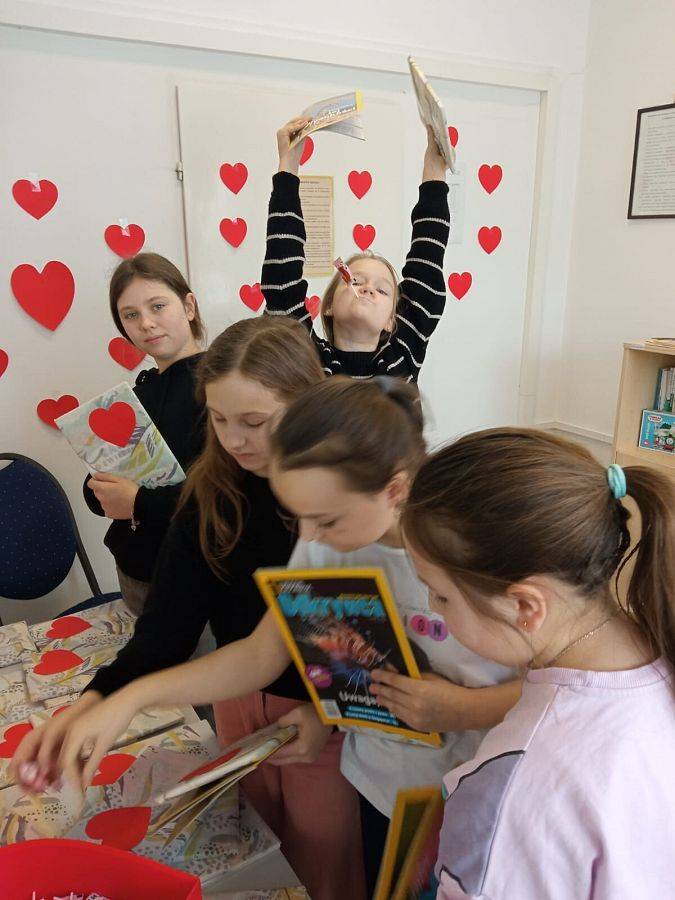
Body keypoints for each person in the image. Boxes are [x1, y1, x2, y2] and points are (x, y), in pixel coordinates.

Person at [19, 379, 518, 898]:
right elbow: (261, 653)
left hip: (472, 798)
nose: (309, 537)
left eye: (325, 519)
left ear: (394, 490)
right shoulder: (326, 541)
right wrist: (127, 699)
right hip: (379, 786)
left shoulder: (475, 555)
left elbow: (558, 686)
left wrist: (463, 710)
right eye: (300, 517)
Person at [14, 317, 365, 900]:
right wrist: (94, 703)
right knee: (254, 850)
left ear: (309, 407)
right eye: (219, 420)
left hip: (323, 713)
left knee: (324, 865)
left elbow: (350, 657)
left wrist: (328, 714)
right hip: (238, 701)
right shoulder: (212, 494)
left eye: (254, 422)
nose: (234, 440)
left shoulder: (334, 507)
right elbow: (167, 630)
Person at [400, 429, 675, 899]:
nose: (432, 606)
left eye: (441, 594)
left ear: (526, 607)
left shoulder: (519, 785)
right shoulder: (655, 650)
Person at [262, 116, 451, 382]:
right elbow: (282, 279)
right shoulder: (309, 361)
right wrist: (288, 164)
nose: (368, 289)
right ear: (328, 305)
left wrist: (434, 168)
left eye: (382, 290)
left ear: (391, 320)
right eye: (355, 280)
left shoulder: (402, 357)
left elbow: (427, 262)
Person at [84, 253, 207, 614]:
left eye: (157, 306)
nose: (147, 324)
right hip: (135, 573)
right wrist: (99, 489)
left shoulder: (222, 386)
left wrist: (138, 502)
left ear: (188, 306)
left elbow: (225, 493)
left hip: (196, 578)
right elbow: (100, 485)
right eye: (131, 315)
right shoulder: (135, 396)